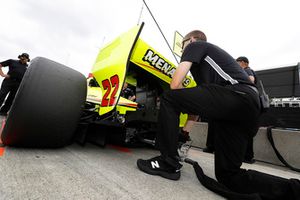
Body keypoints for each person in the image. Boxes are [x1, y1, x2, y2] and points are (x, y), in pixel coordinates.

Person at [137, 30, 300, 199]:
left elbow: (175, 84)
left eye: (182, 45)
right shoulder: (209, 70)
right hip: (248, 109)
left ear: (191, 40)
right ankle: (293, 190)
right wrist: (183, 133)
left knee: (169, 98)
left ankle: (168, 163)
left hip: (237, 94)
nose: (181, 50)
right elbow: (196, 105)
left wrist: (172, 112)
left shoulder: (196, 45)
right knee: (229, 175)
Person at [237, 56, 257, 164]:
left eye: (238, 62)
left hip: (248, 103)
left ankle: (248, 156)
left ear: (244, 63)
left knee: (245, 131)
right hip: (252, 104)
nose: (236, 64)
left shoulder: (247, 70)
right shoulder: (247, 70)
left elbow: (251, 80)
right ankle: (247, 156)